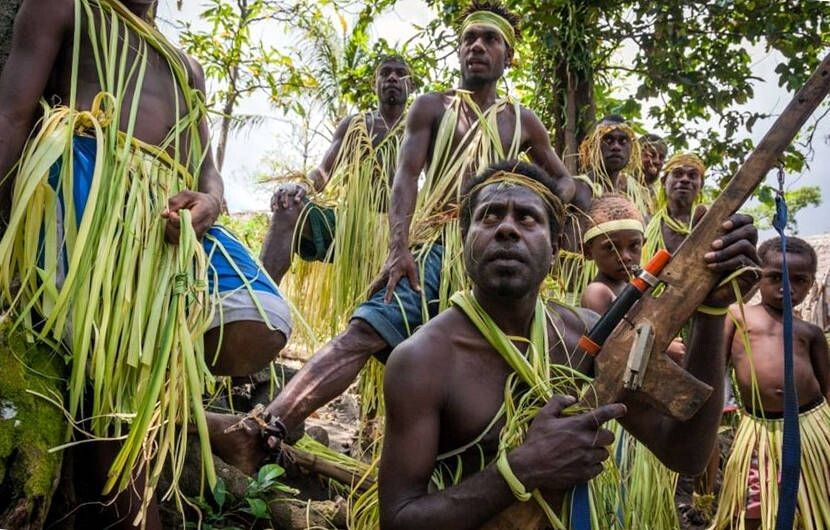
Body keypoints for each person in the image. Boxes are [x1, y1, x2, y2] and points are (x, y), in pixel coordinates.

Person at [209, 1, 583, 473]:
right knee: (365, 329)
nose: (477, 47)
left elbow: (565, 181)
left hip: (491, 250)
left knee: (479, 367)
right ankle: (265, 429)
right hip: (437, 242)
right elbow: (406, 177)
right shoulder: (432, 107)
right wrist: (399, 248)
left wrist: (533, 194)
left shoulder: (522, 121)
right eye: (469, 39)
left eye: (490, 40)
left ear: (509, 55)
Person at [0, 1, 291, 527]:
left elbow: (208, 169)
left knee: (263, 317)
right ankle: (181, 436)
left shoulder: (188, 66)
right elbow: (10, 116)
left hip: (174, 218)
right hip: (91, 198)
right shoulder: (67, 8)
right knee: (119, 366)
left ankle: (179, 413)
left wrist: (210, 203)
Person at [378, 160, 760, 529]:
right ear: (464, 241)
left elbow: (686, 454)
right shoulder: (422, 360)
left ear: (557, 245)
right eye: (490, 216)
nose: (507, 229)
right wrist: (523, 468)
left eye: (526, 218)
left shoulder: (588, 336)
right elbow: (398, 518)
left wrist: (712, 309)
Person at [580, 193, 685, 529]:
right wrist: (666, 350)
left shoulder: (637, 289)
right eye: (610, 248)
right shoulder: (599, 292)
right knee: (622, 499)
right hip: (622, 414)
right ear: (588, 253)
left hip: (638, 406)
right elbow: (615, 354)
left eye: (633, 246)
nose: (624, 256)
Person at [711, 237, 830, 530]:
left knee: (811, 499)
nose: (787, 288)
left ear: (811, 285)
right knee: (752, 503)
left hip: (811, 426)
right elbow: (713, 368)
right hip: (758, 429)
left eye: (799, 281)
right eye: (775, 277)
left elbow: (828, 387)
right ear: (757, 276)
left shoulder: (810, 332)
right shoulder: (737, 316)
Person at [644, 152, 706, 258]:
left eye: (692, 175)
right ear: (663, 182)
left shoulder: (708, 221)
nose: (685, 179)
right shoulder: (646, 224)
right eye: (677, 174)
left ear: (701, 186)